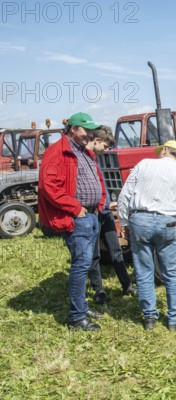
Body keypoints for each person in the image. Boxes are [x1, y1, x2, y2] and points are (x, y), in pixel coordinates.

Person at [117, 140, 176, 331]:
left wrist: (124, 223)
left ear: (164, 151)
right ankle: (175, 319)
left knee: (144, 271)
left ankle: (149, 318)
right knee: (171, 272)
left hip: (140, 222)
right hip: (166, 223)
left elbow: (124, 196)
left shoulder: (143, 165)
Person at [38, 112, 106, 331]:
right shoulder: (57, 152)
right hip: (79, 218)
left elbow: (95, 178)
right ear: (74, 129)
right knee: (81, 265)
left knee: (86, 264)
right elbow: (49, 187)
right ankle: (76, 318)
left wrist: (100, 202)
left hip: (92, 215)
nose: (90, 134)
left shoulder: (83, 151)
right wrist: (76, 208)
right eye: (86, 130)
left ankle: (82, 306)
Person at [85, 126, 137, 303]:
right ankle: (99, 291)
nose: (106, 150)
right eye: (105, 146)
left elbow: (101, 186)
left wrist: (108, 202)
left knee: (115, 250)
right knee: (94, 254)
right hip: (92, 214)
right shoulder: (85, 160)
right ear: (97, 140)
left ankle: (127, 285)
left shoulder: (97, 160)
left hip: (105, 211)